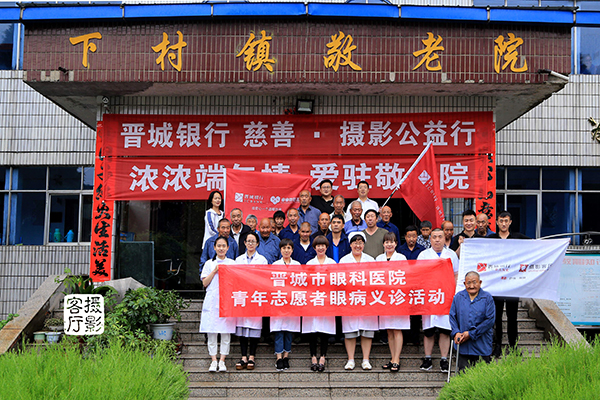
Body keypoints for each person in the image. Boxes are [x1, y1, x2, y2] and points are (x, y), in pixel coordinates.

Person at [488, 210, 530, 357]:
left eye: (506, 221)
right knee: (497, 317)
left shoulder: (518, 237)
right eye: (501, 221)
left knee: (513, 317)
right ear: (497, 222)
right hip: (497, 284)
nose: (504, 224)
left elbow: (536, 245)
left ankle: (513, 346)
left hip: (512, 284)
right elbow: (478, 247)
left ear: (510, 222)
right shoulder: (491, 239)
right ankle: (498, 345)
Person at [417, 228, 459, 373]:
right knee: (428, 330)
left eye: (440, 237)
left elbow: (456, 274)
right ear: (430, 239)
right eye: (434, 237)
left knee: (444, 330)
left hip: (446, 297)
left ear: (444, 238)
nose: (437, 240)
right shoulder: (423, 255)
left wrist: (454, 293)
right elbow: (418, 274)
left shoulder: (451, 255)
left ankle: (444, 359)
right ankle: (427, 358)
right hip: (429, 297)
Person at [340, 232, 377, 370]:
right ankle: (351, 359)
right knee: (350, 331)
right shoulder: (344, 261)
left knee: (367, 331)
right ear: (350, 245)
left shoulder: (371, 260)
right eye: (355, 242)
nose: (358, 245)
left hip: (367, 299)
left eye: (360, 243)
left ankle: (366, 359)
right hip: (350, 300)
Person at [200, 236, 237, 372]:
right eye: (219, 246)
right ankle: (213, 360)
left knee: (226, 332)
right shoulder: (209, 264)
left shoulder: (232, 263)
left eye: (223, 246)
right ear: (214, 248)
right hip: (212, 300)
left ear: (228, 248)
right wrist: (215, 271)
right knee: (212, 332)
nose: (221, 248)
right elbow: (205, 283)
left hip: (226, 301)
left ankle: (222, 360)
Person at [235, 232, 268, 370]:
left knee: (254, 327)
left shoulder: (262, 260)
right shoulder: (238, 260)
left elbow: (264, 278)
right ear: (244, 243)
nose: (250, 243)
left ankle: (252, 357)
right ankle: (243, 356)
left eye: (253, 241)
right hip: (242, 296)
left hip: (255, 296)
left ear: (257, 244)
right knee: (242, 327)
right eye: (248, 241)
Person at [376, 232, 409, 372]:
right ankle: (392, 358)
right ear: (383, 244)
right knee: (389, 330)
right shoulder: (378, 259)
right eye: (387, 242)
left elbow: (406, 276)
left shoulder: (401, 258)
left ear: (396, 244)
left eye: (392, 242)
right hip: (384, 298)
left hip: (398, 297)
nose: (389, 244)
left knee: (397, 329)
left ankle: (397, 359)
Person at [450, 271, 495, 372]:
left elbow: (489, 320)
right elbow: (452, 316)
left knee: (482, 377)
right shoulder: (458, 297)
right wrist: (456, 332)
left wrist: (471, 334)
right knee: (464, 375)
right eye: (468, 283)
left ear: (480, 282)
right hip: (463, 346)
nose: (471, 286)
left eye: (474, 282)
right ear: (464, 284)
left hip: (482, 346)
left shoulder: (487, 298)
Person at [304, 235, 337, 372]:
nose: (320, 248)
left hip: (327, 300)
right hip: (313, 299)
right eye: (318, 246)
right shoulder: (309, 264)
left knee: (325, 329)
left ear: (327, 247)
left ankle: (323, 356)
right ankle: (313, 357)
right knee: (312, 329)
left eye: (323, 245)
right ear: (314, 248)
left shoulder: (332, 263)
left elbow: (336, 282)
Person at [271, 238, 301, 371]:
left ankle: (286, 356)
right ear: (280, 250)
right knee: (278, 331)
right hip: (278, 301)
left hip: (292, 302)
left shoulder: (297, 265)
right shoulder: (275, 265)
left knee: (289, 331)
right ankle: (278, 357)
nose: (286, 250)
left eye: (289, 248)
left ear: (292, 250)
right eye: (284, 248)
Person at [397, 224, 425, 345]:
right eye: (409, 236)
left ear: (417, 236)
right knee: (404, 312)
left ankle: (415, 338)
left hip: (417, 284)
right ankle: (405, 337)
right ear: (405, 237)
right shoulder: (400, 250)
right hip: (403, 284)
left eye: (414, 236)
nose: (411, 239)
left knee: (416, 313)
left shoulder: (422, 250)